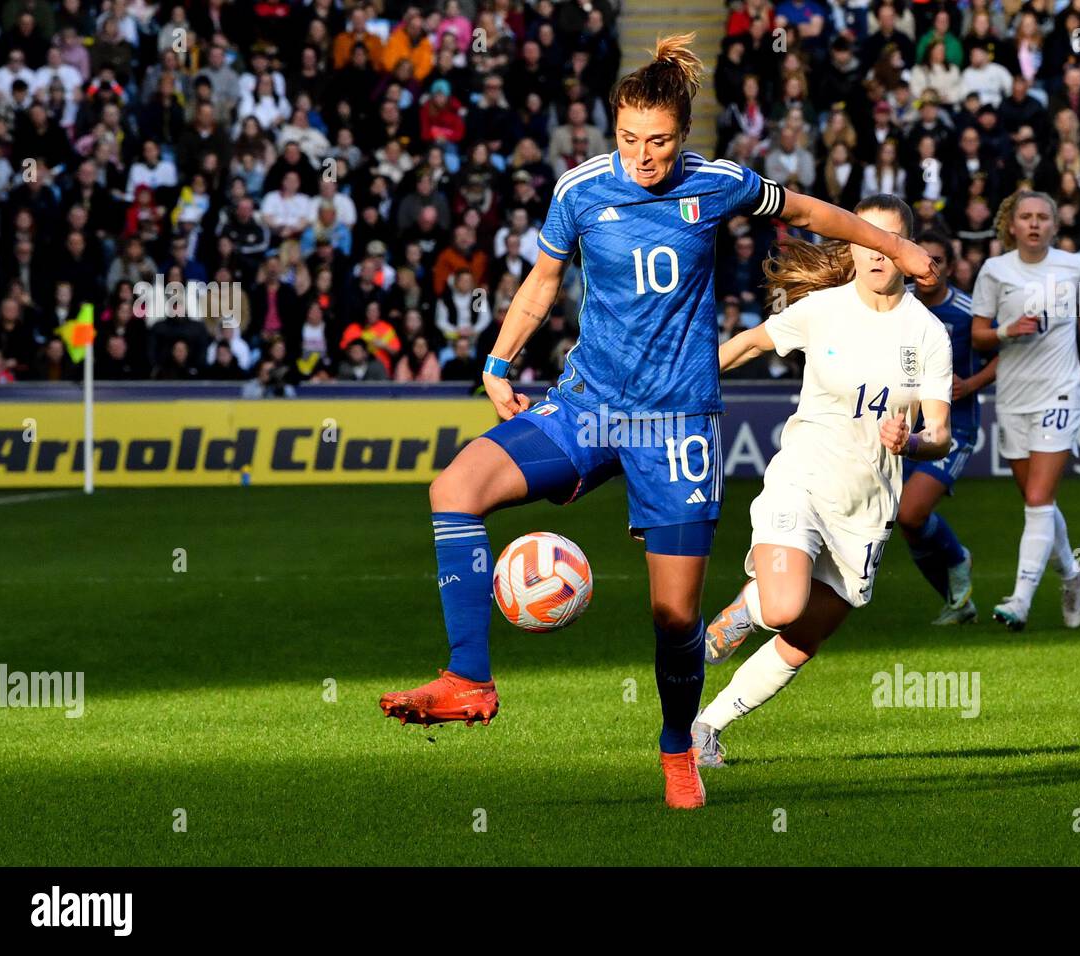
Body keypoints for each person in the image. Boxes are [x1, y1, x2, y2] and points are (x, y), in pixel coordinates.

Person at [376, 34, 938, 811]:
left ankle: (679, 751)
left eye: (661, 141)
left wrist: (895, 244)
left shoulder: (719, 184)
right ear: (613, 131)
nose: (644, 156)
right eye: (630, 139)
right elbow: (543, 281)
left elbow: (810, 210)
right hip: (588, 406)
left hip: (676, 427)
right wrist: (500, 363)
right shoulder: (580, 190)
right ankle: (469, 678)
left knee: (674, 619)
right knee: (455, 488)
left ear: (684, 134)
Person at [690, 196, 953, 767]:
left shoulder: (929, 334)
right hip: (803, 480)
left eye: (891, 240)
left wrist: (913, 443)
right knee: (784, 608)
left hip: (867, 509)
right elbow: (754, 342)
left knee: (802, 639)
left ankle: (706, 726)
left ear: (907, 253)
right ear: (852, 246)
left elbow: (942, 435)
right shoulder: (823, 310)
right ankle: (749, 608)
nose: (878, 251)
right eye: (868, 238)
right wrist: (686, 383)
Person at [970, 191, 1080, 631]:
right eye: (1025, 217)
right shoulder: (994, 271)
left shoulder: (1076, 266)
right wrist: (1007, 330)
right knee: (1039, 501)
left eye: (1042, 217)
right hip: (1012, 396)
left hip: (1061, 392)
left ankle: (1020, 600)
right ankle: (1070, 574)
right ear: (1012, 225)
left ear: (1054, 225)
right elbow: (978, 336)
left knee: (1036, 500)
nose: (1034, 224)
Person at [898, 231, 998, 625]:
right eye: (922, 258)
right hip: (903, 424)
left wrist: (971, 385)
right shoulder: (897, 303)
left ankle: (958, 557)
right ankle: (959, 603)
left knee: (911, 513)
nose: (928, 267)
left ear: (952, 267)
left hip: (954, 428)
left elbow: (1003, 357)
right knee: (906, 523)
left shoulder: (969, 312)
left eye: (937, 259)